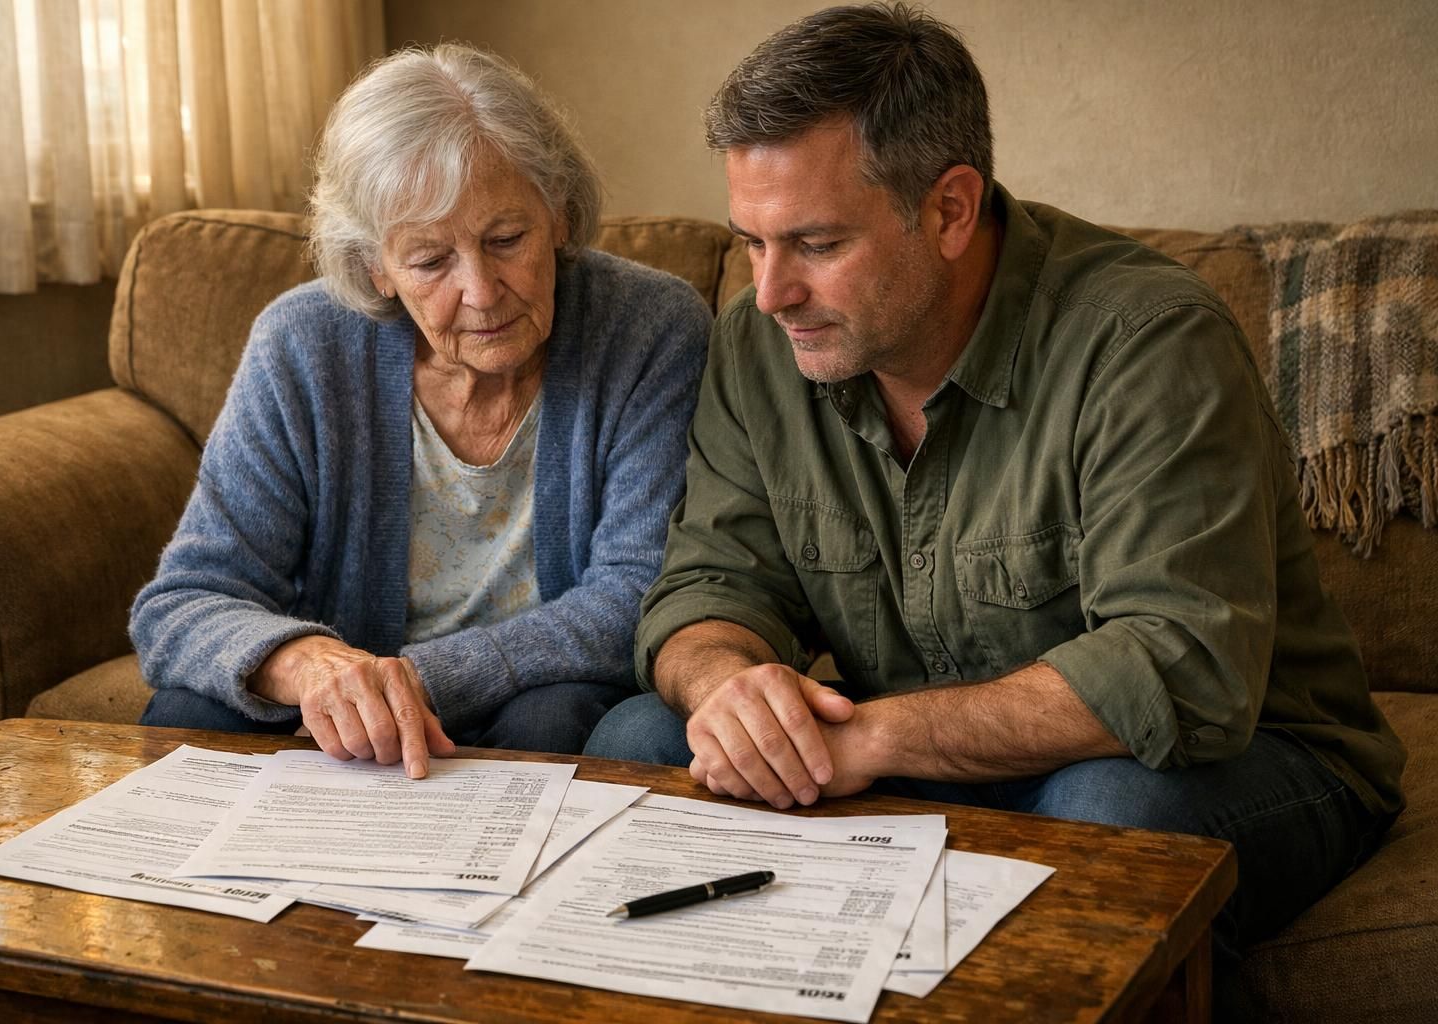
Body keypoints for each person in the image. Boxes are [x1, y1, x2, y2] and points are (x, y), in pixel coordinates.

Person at [582, 3, 1405, 1014]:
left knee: (1107, 812)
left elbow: (1180, 666)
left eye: (815, 242)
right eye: (752, 242)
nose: (770, 292)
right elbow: (708, 582)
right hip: (935, 759)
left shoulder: (1146, 341)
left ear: (950, 209)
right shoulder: (764, 349)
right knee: (641, 738)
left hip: (1242, 759)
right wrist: (729, 687)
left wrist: (872, 739)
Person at [132, 44, 709, 776]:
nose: (481, 289)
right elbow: (185, 600)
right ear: (375, 266)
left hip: (538, 697)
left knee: (553, 716)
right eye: (431, 261)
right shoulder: (303, 345)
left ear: (558, 214)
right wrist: (311, 668)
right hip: (348, 716)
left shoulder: (649, 327)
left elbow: (638, 592)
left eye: (506, 240)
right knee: (194, 709)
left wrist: (414, 678)